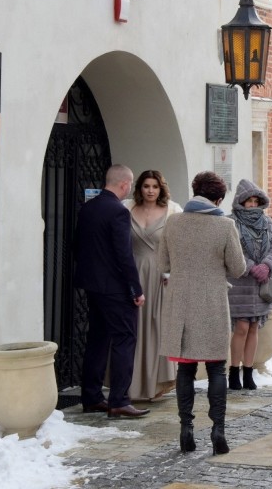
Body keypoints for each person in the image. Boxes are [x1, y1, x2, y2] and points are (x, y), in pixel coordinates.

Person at [158, 171, 246, 455]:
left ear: (194, 191)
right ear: (219, 198)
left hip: (181, 303)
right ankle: (218, 429)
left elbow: (162, 262)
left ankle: (186, 429)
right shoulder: (224, 225)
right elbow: (238, 268)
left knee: (185, 368)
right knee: (216, 367)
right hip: (212, 303)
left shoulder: (173, 222)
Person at [74, 164, 149, 419]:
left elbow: (78, 246)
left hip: (92, 285)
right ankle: (119, 400)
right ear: (125, 184)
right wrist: (136, 289)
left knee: (97, 340)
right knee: (125, 339)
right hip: (115, 289)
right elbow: (123, 255)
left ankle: (92, 396)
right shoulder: (118, 211)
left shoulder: (88, 208)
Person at [123, 170, 182, 401]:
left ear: (161, 189)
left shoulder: (173, 211)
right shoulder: (127, 208)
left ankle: (155, 384)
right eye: (146, 186)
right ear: (140, 188)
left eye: (154, 186)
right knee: (132, 328)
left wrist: (172, 271)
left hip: (160, 276)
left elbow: (179, 246)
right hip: (133, 272)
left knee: (157, 328)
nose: (150, 190)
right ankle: (130, 384)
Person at [227, 179, 272, 391]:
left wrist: (267, 266)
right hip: (240, 283)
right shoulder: (231, 222)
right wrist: (251, 266)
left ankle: (249, 372)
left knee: (253, 328)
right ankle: (234, 371)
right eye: (248, 201)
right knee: (240, 327)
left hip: (261, 284)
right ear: (241, 202)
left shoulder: (267, 223)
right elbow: (232, 251)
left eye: (255, 201)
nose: (252, 204)